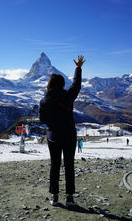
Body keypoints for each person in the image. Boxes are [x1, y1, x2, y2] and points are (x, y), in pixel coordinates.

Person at [39, 55, 86, 207]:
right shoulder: (67, 96)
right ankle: (70, 197)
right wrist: (78, 68)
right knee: (69, 165)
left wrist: (53, 124)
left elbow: (42, 120)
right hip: (69, 136)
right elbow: (76, 85)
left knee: (55, 165)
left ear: (49, 84)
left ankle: (54, 196)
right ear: (62, 84)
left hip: (53, 137)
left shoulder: (44, 101)